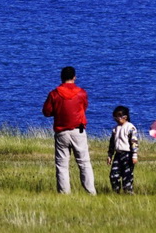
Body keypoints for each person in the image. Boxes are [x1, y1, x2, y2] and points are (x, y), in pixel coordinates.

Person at [42, 66, 96, 194]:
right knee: (84, 163)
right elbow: (84, 107)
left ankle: (64, 194)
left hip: (61, 132)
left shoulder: (54, 93)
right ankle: (91, 192)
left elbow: (46, 111)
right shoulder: (81, 93)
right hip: (79, 130)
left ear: (61, 78)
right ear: (74, 77)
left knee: (62, 165)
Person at [107, 105, 140, 194]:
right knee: (114, 175)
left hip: (127, 154)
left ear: (125, 117)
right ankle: (116, 191)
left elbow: (134, 142)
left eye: (118, 117)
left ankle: (128, 191)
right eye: (115, 117)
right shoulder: (115, 129)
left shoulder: (130, 127)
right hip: (118, 154)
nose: (116, 119)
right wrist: (110, 155)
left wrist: (134, 155)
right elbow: (112, 143)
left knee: (127, 174)